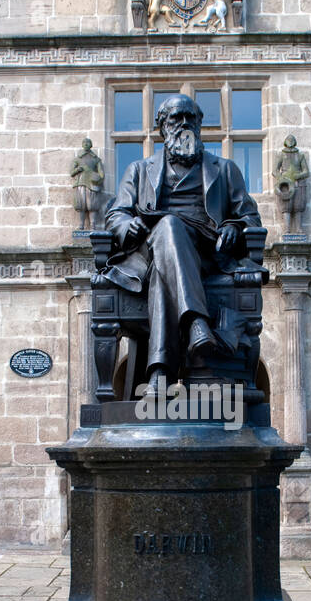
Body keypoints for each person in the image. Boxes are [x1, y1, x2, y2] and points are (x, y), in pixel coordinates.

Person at [103, 93, 262, 389]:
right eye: (176, 118)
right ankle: (196, 325)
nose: (184, 123)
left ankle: (160, 372)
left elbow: (250, 218)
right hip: (149, 255)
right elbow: (115, 215)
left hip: (208, 255)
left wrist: (233, 225)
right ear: (163, 127)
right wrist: (129, 225)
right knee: (168, 227)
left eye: (191, 118)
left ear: (200, 125)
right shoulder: (138, 171)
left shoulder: (225, 170)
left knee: (168, 235)